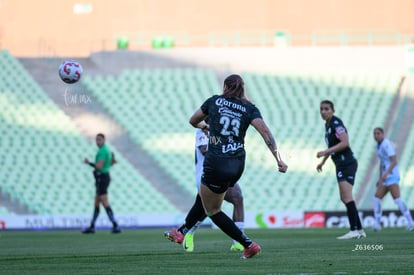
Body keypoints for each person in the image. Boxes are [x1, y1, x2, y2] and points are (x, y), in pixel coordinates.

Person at [164, 74, 288, 259]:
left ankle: (247, 244)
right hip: (237, 165)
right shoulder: (249, 108)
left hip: (216, 163)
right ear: (242, 89)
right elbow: (265, 132)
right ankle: (181, 231)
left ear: (225, 87)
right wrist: (278, 159)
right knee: (205, 197)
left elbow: (193, 120)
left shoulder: (215, 101)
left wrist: (205, 126)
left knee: (212, 210)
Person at [182, 128, 245, 252]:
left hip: (223, 173)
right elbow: (204, 149)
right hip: (206, 175)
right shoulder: (202, 131)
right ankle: (189, 231)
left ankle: (239, 242)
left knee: (237, 197)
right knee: (208, 209)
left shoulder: (224, 129)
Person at [316, 100, 366, 239]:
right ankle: (360, 230)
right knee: (345, 198)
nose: (323, 111)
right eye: (321, 109)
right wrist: (323, 162)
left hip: (347, 163)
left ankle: (354, 230)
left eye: (326, 109)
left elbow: (345, 143)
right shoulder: (328, 125)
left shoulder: (336, 124)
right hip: (341, 163)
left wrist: (325, 152)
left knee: (346, 197)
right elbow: (334, 147)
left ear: (333, 110)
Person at [372, 127, 414, 232]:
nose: (376, 135)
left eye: (378, 133)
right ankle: (377, 224)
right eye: (375, 133)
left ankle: (411, 222)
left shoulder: (387, 144)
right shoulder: (377, 146)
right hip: (385, 177)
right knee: (376, 199)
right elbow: (382, 162)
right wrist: (380, 178)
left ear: (382, 134)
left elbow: (394, 161)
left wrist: (385, 174)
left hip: (392, 176)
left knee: (397, 199)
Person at [82, 133, 121, 234]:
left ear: (104, 140)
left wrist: (89, 163)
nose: (97, 142)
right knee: (97, 202)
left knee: (104, 202)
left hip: (102, 178)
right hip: (103, 177)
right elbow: (113, 162)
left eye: (99, 140)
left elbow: (99, 166)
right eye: (96, 140)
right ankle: (92, 226)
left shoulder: (103, 151)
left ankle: (115, 225)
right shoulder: (107, 150)